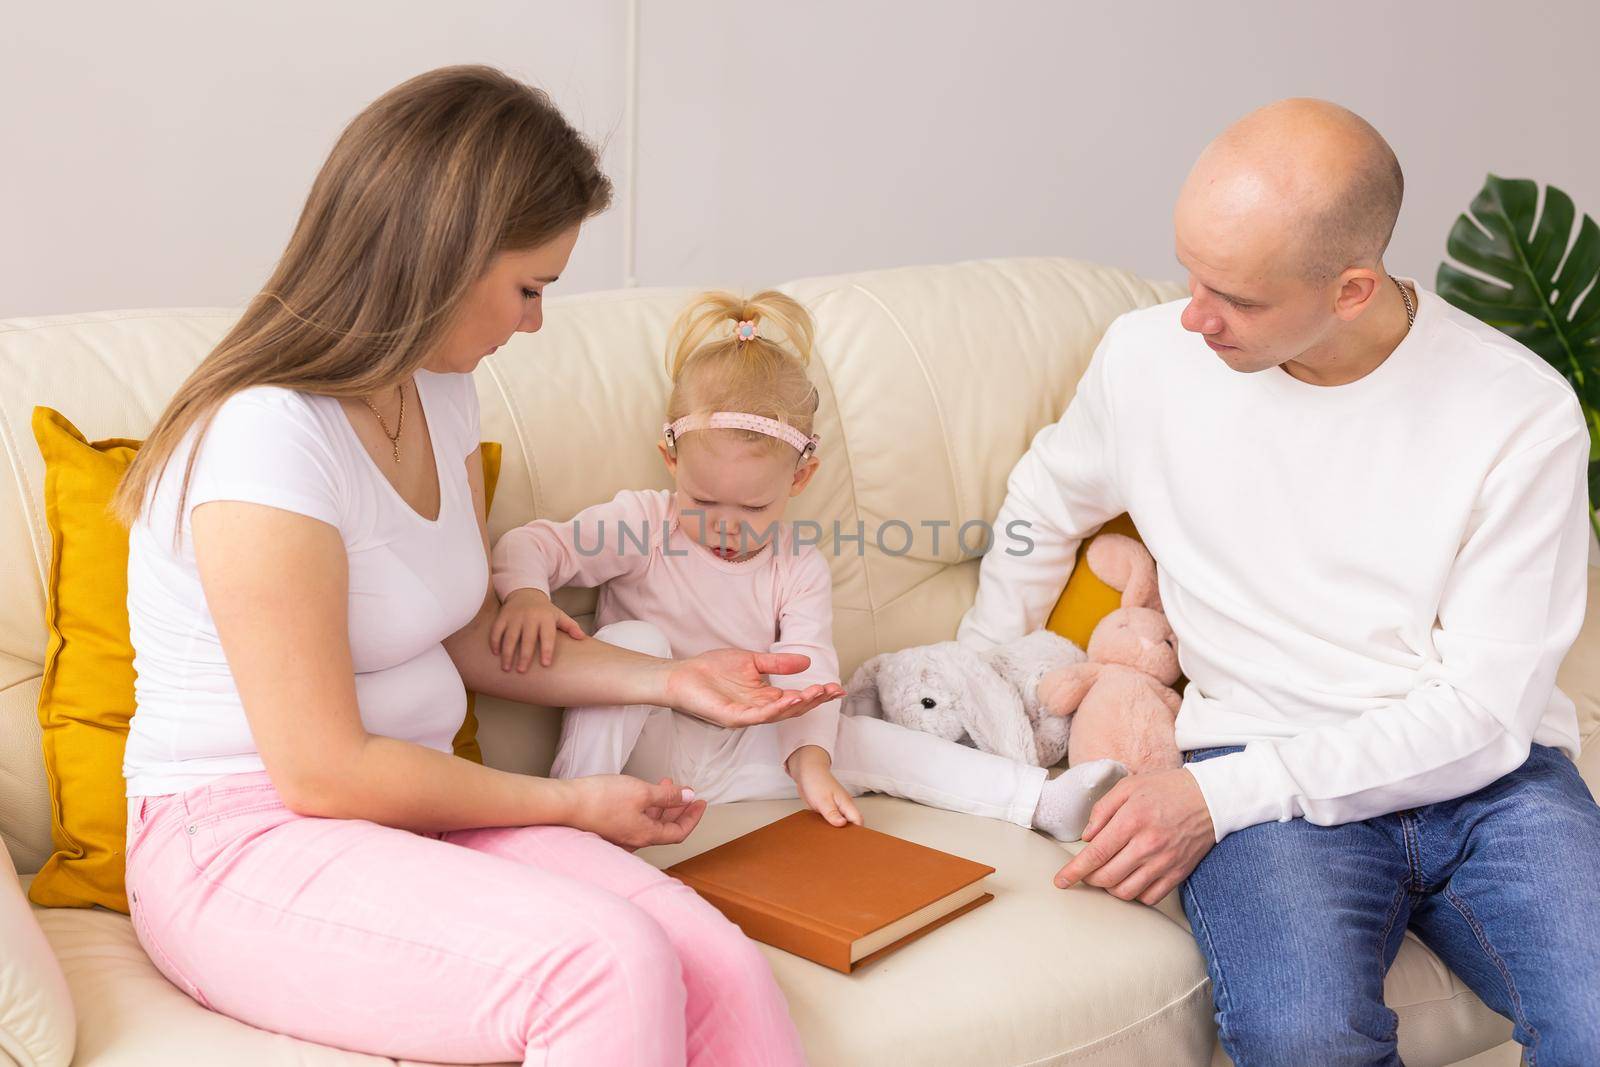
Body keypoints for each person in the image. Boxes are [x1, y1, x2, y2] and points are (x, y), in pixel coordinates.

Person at [113, 65, 836, 1066]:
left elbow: (452, 630)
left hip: (414, 808)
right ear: (439, 258)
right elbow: (321, 770)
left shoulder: (439, 392)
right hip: (243, 838)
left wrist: (673, 680)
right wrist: (572, 803)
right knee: (604, 962)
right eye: (528, 286)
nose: (534, 322)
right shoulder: (266, 439)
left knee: (722, 966)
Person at [959, 98, 1598, 1064]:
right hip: (1260, 758)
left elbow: (1485, 713)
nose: (1194, 317)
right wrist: (979, 682)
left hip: (1490, 783)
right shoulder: (1150, 359)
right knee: (1305, 1039)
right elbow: (1044, 501)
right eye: (1192, 272)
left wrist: (1225, 797)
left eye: (1239, 299)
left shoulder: (1517, 415)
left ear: (1351, 289)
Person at [489, 289, 1125, 840]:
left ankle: (1039, 798)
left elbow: (810, 670)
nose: (726, 526)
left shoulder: (797, 566)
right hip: (644, 749)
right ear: (671, 460)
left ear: (801, 479)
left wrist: (812, 762)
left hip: (747, 752)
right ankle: (573, 817)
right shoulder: (643, 523)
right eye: (704, 501)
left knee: (854, 733)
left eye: (754, 506)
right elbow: (532, 545)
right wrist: (524, 594)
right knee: (634, 641)